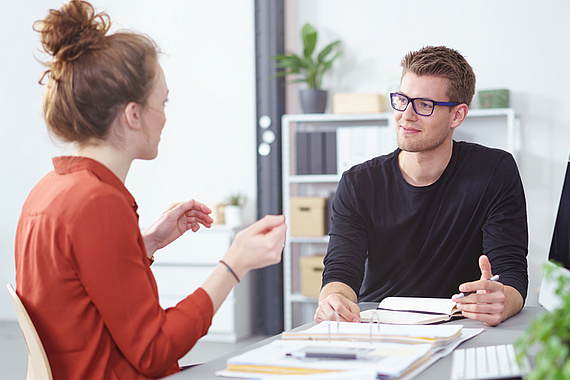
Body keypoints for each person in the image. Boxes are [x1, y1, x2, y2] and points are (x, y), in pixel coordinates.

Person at [14, 1, 286, 379]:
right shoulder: (98, 203)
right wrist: (234, 263)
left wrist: (146, 243)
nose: (166, 116)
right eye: (163, 102)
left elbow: (76, 291)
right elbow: (155, 351)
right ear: (133, 115)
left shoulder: (48, 192)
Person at [315, 46, 528, 327]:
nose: (406, 115)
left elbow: (511, 272)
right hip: (381, 325)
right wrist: (334, 299)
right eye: (402, 99)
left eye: (424, 105)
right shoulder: (358, 183)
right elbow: (341, 270)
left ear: (457, 116)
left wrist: (502, 301)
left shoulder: (494, 171)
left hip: (463, 324)